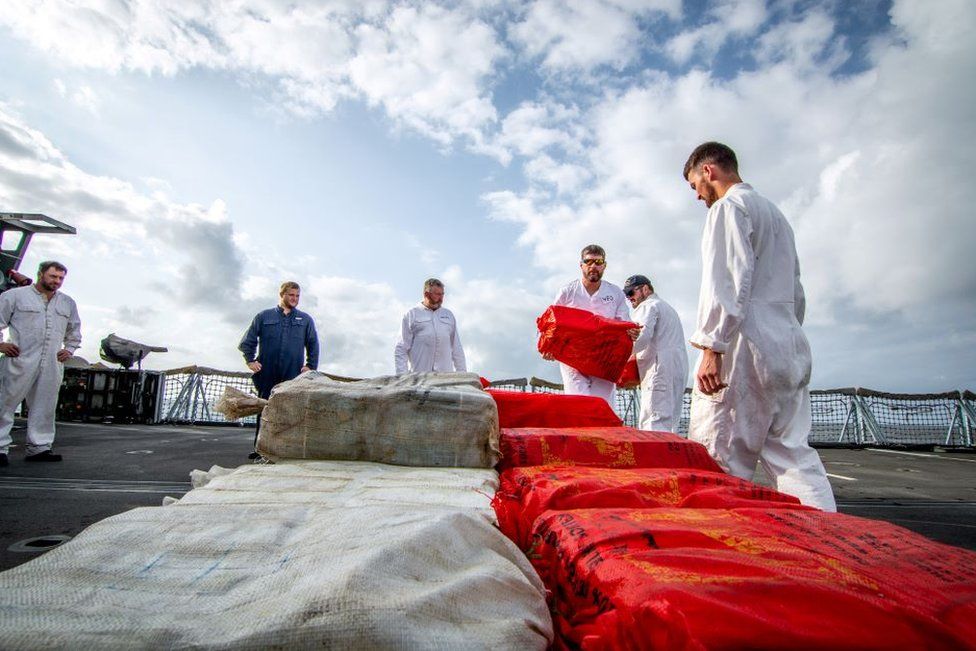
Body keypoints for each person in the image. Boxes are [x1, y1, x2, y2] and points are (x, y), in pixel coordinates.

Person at [683, 141, 836, 511]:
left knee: (719, 457)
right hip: (788, 344)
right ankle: (831, 537)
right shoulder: (777, 217)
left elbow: (726, 281)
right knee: (794, 456)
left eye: (694, 187)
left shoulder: (728, 209)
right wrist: (783, 334)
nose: (698, 197)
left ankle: (723, 549)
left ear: (709, 171)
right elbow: (797, 291)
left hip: (744, 350)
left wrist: (711, 347)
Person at [0, 261, 82, 465]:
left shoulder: (67, 303)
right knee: (5, 402)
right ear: (40, 274)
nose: (57, 281)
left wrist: (69, 349)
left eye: (61, 278)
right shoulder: (14, 296)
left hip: (52, 362)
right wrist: (1, 345)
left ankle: (40, 447)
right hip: (20, 358)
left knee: (45, 404)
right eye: (53, 276)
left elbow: (74, 331)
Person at [239, 281, 319, 456]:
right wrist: (250, 361)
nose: (295, 299)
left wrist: (310, 366)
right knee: (265, 408)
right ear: (282, 295)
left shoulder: (305, 320)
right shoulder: (264, 316)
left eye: (297, 296)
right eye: (291, 295)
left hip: (293, 373)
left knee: (291, 410)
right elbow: (248, 342)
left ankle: (288, 449)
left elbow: (313, 344)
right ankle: (260, 449)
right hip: (267, 371)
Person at [548, 245, 634, 406]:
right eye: (588, 261)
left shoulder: (615, 293)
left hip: (604, 359)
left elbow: (625, 324)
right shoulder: (567, 292)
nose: (593, 266)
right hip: (573, 358)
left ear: (604, 265)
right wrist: (547, 347)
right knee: (578, 404)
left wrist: (632, 332)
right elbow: (551, 322)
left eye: (598, 261)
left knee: (602, 405)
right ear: (581, 265)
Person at [623, 274, 689, 433]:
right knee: (671, 422)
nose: (629, 298)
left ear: (645, 289)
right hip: (677, 370)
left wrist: (618, 358)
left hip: (658, 370)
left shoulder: (648, 306)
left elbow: (641, 338)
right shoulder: (668, 308)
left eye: (631, 293)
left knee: (653, 422)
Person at [394, 278, 466, 374]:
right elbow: (401, 348)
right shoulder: (412, 314)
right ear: (426, 294)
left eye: (442, 294)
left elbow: (457, 348)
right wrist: (402, 377)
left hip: (446, 378)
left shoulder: (449, 315)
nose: (441, 299)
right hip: (420, 378)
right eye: (437, 294)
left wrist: (462, 375)